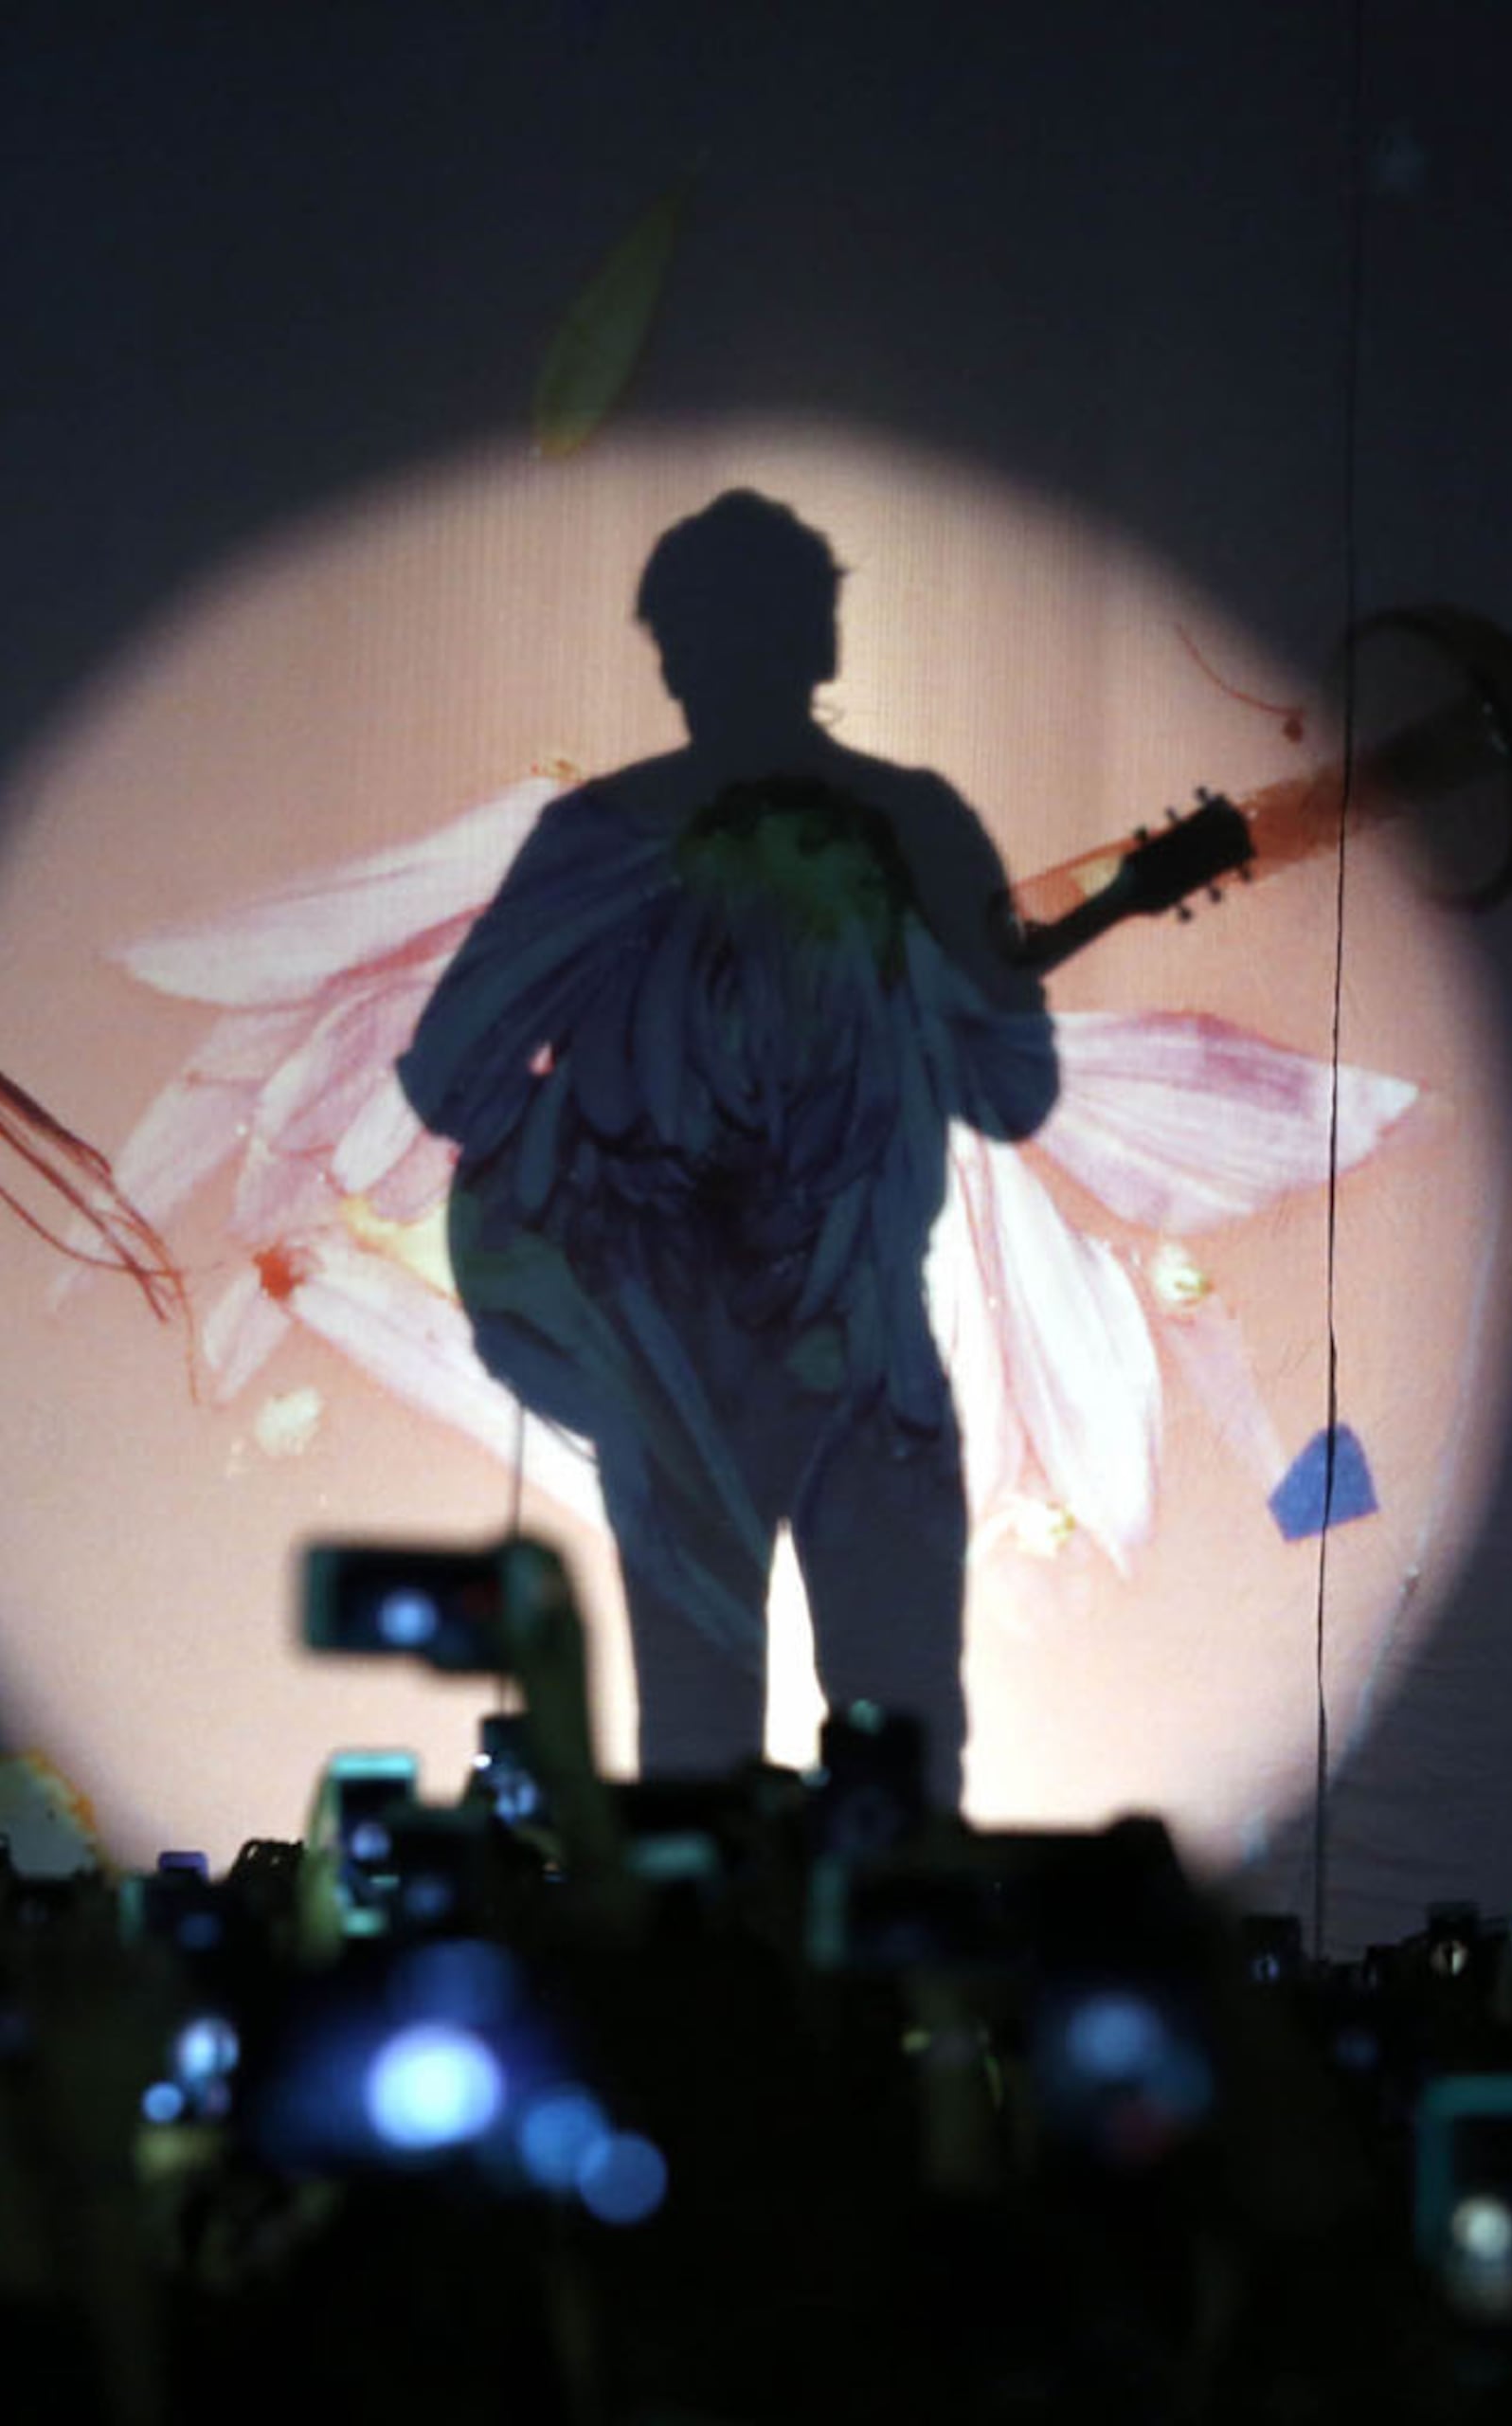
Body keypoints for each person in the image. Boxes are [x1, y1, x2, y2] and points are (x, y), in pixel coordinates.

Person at [396, 490, 1056, 1806]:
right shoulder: (850, 824)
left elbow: (448, 1074)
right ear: (822, 645)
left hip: (812, 1349)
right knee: (874, 1747)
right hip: (785, 1358)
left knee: (752, 1751)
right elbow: (1013, 1093)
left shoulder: (643, 830)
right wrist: (611, 1175)